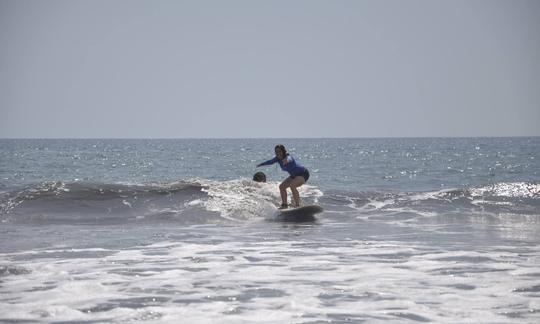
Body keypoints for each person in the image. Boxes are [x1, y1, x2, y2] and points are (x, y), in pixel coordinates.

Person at [256, 144, 310, 209]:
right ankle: (284, 204)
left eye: (279, 151)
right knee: (282, 187)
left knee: (292, 185)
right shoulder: (277, 159)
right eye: (276, 152)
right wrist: (261, 164)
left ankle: (297, 205)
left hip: (303, 173)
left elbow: (289, 159)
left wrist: (286, 160)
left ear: (283, 151)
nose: (278, 153)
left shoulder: (288, 157)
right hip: (294, 176)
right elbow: (270, 162)